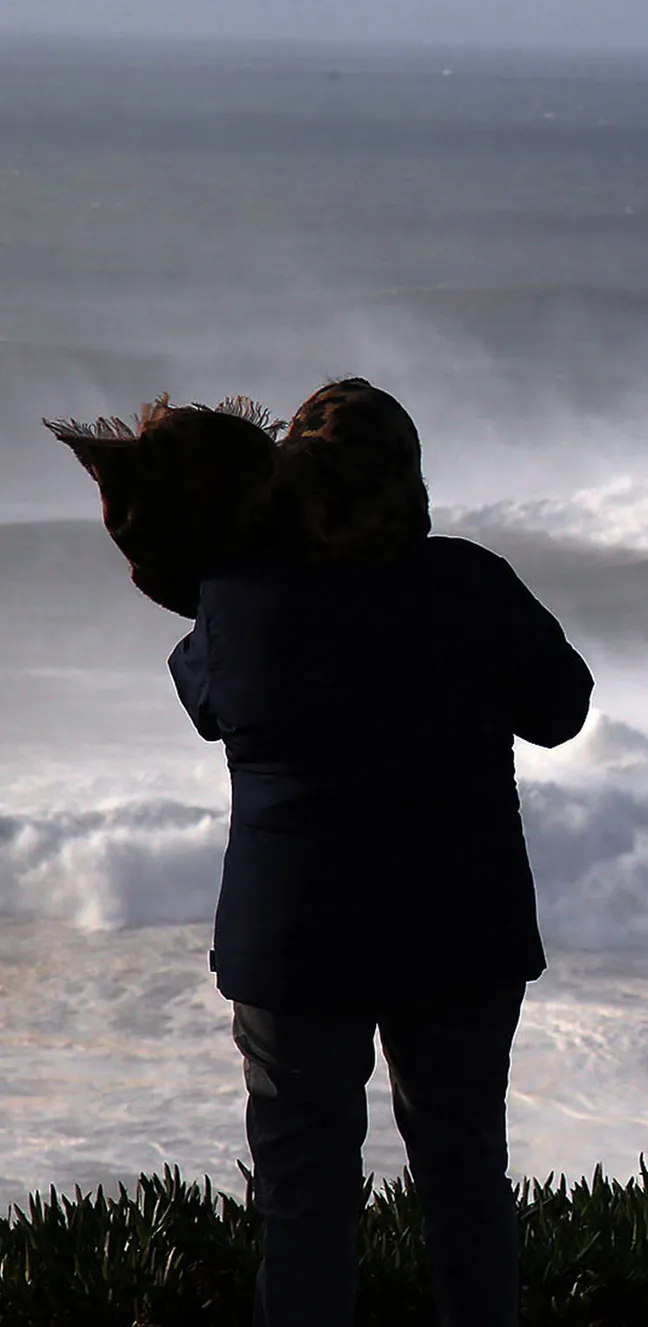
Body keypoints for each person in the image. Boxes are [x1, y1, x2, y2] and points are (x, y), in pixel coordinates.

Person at [166, 378, 595, 1327]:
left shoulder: (240, 600)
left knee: (305, 1197)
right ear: (408, 478)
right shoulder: (470, 582)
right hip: (458, 928)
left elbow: (201, 698)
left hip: (295, 941)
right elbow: (562, 707)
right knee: (464, 1178)